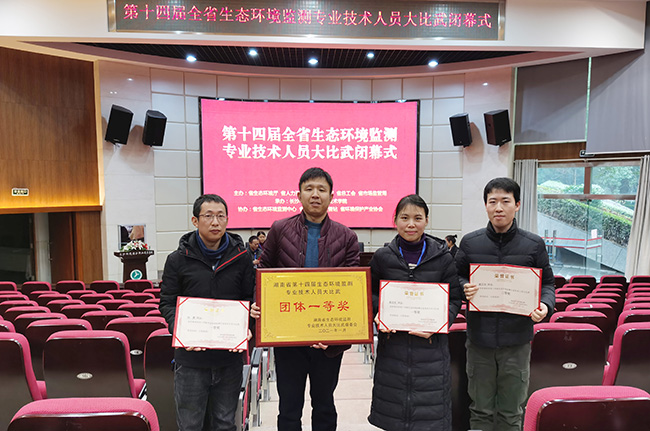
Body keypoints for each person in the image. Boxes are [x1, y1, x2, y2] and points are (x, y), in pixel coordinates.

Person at [254, 167, 360, 431]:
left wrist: (337, 337)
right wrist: (259, 304)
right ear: (298, 195)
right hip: (289, 337)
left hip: (329, 339)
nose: (315, 194)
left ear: (331, 196)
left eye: (322, 190)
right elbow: (263, 271)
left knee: (324, 405)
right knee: (289, 407)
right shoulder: (280, 229)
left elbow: (353, 289)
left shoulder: (347, 236)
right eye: (309, 189)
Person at [454, 178, 555, 431]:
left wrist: (545, 305)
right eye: (493, 202)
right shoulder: (470, 242)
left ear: (517, 205)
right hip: (479, 341)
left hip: (517, 342)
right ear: (486, 206)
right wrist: (464, 286)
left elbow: (548, 283)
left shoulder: (533, 244)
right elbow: (455, 277)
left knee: (512, 412)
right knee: (480, 410)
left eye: (505, 201)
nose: (498, 207)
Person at [159, 194, 256, 431]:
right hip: (190, 360)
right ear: (195, 220)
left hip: (229, 358)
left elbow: (250, 298)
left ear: (227, 220)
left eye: (221, 216)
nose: (215, 222)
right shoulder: (177, 259)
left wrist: (247, 327)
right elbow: (167, 302)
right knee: (190, 425)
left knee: (225, 423)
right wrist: (180, 330)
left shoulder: (242, 258)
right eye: (209, 216)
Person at [368, 194, 463, 431]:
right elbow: (370, 295)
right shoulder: (382, 257)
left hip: (431, 353)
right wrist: (378, 313)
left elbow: (454, 298)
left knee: (429, 419)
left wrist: (439, 322)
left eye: (417, 218)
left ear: (426, 221)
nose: (411, 224)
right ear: (395, 220)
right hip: (393, 351)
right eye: (405, 218)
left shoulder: (443, 258)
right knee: (393, 417)